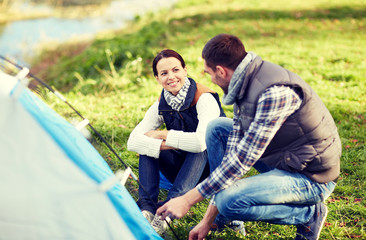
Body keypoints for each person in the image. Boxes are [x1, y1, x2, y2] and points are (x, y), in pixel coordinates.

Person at [156, 34, 341, 240]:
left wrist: (187, 200)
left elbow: (241, 161)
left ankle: (308, 215)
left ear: (221, 71)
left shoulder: (272, 93)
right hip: (286, 159)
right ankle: (223, 218)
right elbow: (233, 152)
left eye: (209, 73)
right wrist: (207, 220)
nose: (209, 79)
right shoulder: (243, 81)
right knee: (217, 127)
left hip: (312, 177)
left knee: (229, 201)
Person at [127, 49, 225, 234]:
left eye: (175, 70)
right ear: (157, 78)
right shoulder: (162, 103)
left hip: (211, 171)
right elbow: (132, 141)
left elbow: (199, 144)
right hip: (181, 170)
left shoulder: (204, 98)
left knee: (200, 145)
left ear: (185, 70)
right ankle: (147, 210)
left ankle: (168, 212)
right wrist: (162, 144)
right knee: (148, 147)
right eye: (164, 73)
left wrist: (163, 135)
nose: (171, 77)